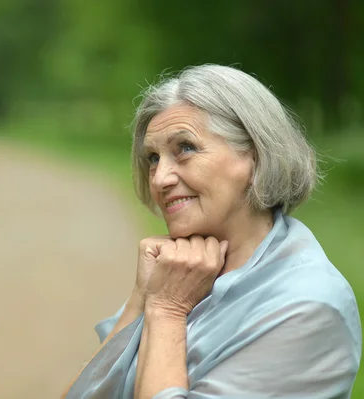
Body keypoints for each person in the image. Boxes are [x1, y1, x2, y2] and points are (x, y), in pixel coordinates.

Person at [60, 64, 361, 398]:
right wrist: (141, 297)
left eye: (185, 148)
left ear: (256, 157)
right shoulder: (180, 270)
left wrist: (167, 311)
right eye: (152, 158)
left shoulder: (309, 306)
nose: (160, 178)